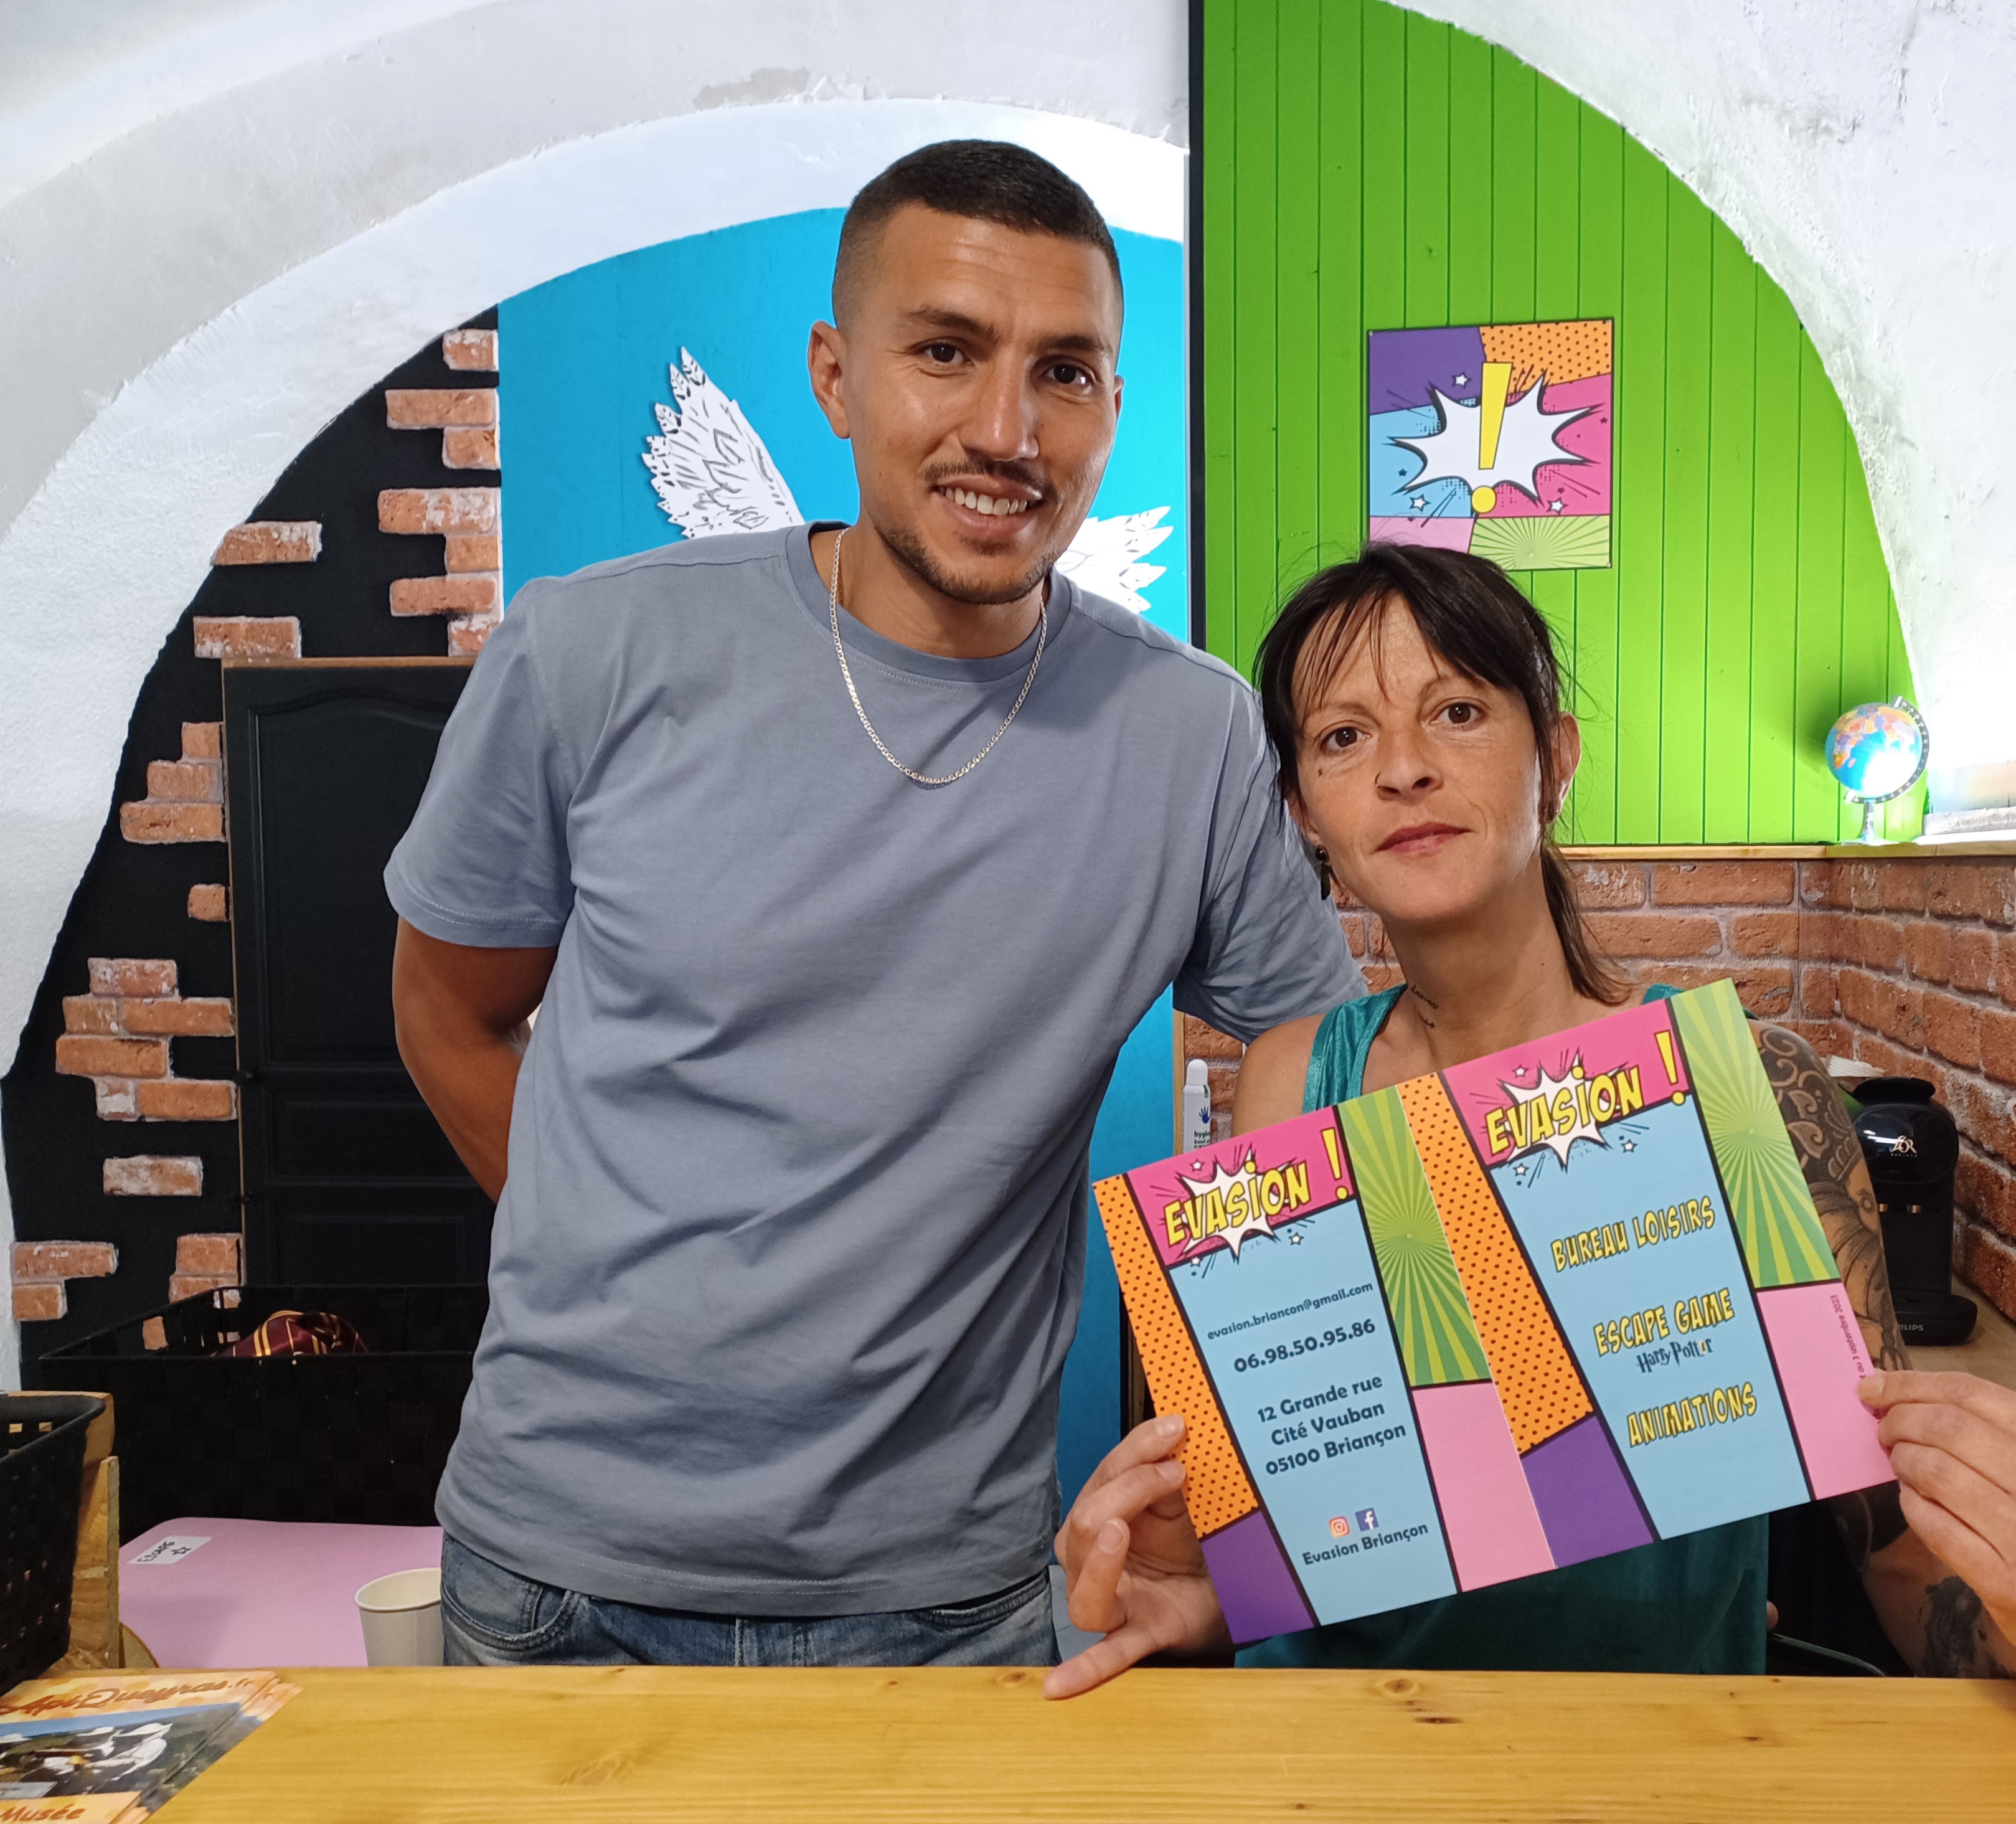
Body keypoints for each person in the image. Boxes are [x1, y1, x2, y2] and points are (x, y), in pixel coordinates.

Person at [385, 140, 1361, 1668]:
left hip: (947, 1596)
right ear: (836, 378)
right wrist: (621, 1274)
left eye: (1063, 373)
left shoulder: (1190, 735)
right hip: (563, 1578)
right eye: (945, 352)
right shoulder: (589, 655)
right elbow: (448, 1012)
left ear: (1112, 406)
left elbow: (1318, 1055)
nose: (1004, 431)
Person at [1044, 544, 2016, 1697]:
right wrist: (1199, 1594)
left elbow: (1898, 1555)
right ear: (1305, 811)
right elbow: (1304, 1525)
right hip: (1348, 1745)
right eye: (1344, 736)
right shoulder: (1291, 1080)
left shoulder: (1746, 1092)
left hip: (1662, 1752)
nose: (1404, 769)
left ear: (1555, 759)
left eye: (1457, 711)